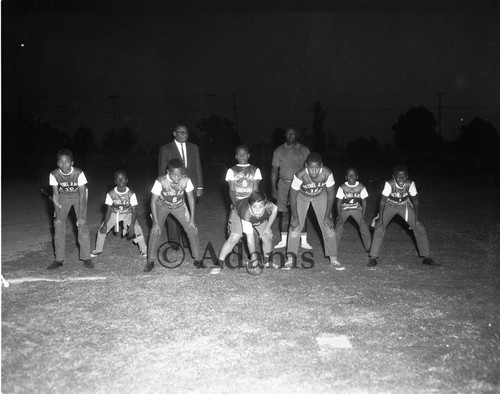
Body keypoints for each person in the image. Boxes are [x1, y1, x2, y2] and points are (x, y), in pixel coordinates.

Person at [368, 164, 439, 267]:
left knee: (419, 227)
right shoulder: (389, 184)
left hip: (403, 206)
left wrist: (415, 217)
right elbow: (382, 202)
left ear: (407, 176)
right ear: (393, 177)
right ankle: (373, 258)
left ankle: (427, 257)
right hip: (389, 205)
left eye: (403, 176)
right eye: (398, 177)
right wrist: (380, 217)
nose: (401, 179)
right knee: (380, 227)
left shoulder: (410, 184)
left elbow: (415, 201)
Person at [144, 158, 203, 272]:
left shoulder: (185, 180)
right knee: (155, 231)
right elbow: (152, 201)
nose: (176, 177)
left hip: (179, 206)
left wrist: (192, 219)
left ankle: (197, 258)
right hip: (162, 205)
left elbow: (190, 198)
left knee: (192, 229)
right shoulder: (161, 181)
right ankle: (150, 260)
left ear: (182, 173)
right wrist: (155, 223)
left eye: (179, 175)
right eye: (173, 175)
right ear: (168, 172)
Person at [285, 152, 340, 269]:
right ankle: (290, 258)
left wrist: (327, 215)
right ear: (306, 166)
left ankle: (333, 258)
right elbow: (293, 197)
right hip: (301, 196)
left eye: (316, 168)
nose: (314, 171)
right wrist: (295, 217)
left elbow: (331, 194)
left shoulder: (327, 173)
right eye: (311, 168)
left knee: (328, 226)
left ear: (321, 166)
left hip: (320, 196)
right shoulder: (300, 174)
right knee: (295, 227)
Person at [215, 145, 262, 270]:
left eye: (244, 154)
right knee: (234, 237)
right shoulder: (231, 170)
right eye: (239, 154)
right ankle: (218, 263)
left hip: (250, 207)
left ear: (248, 155)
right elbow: (231, 190)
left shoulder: (255, 170)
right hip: (237, 205)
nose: (242, 156)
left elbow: (256, 189)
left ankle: (254, 261)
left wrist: (253, 205)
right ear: (236, 156)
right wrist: (236, 204)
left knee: (251, 235)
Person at [157, 124, 203, 248]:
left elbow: (198, 166)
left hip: (190, 185)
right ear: (174, 133)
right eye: (181, 132)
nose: (185, 135)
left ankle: (187, 239)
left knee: (187, 212)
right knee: (172, 213)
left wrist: (199, 186)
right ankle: (174, 242)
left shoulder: (193, 147)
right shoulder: (166, 149)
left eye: (186, 132)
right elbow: (162, 170)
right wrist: (162, 188)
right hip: (171, 187)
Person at [46, 149, 93, 269]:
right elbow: (56, 195)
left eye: (67, 162)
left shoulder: (78, 173)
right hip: (64, 196)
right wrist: (57, 216)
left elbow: (82, 194)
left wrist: (82, 216)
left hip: (78, 196)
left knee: (82, 224)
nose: (64, 164)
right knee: (58, 224)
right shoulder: (54, 174)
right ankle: (59, 259)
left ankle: (86, 258)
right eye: (61, 162)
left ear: (72, 163)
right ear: (57, 163)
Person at [90, 170, 147, 258]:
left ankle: (144, 250)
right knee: (101, 230)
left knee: (137, 229)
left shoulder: (131, 194)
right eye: (118, 179)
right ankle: (98, 250)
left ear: (127, 180)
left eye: (123, 179)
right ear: (115, 182)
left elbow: (134, 211)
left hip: (128, 213)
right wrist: (105, 225)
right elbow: (108, 210)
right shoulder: (111, 194)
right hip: (114, 213)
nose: (121, 181)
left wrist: (132, 225)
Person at [271, 126, 311, 249]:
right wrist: (273, 187)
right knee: (284, 212)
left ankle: (303, 241)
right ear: (285, 135)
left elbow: (309, 169)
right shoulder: (278, 150)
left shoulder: (304, 150)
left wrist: (309, 185)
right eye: (288, 134)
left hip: (300, 184)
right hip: (283, 184)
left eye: (292, 134)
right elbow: (274, 170)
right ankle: (283, 240)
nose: (290, 136)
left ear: (297, 135)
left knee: (301, 212)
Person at [226, 191, 277, 273]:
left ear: (265, 205)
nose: (258, 209)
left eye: (261, 206)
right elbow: (250, 239)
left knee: (266, 236)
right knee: (235, 238)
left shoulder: (269, 205)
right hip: (239, 214)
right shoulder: (245, 213)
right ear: (250, 206)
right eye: (255, 207)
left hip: (258, 218)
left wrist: (268, 227)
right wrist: (254, 258)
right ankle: (221, 261)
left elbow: (275, 210)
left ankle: (267, 262)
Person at [335, 167, 371, 254]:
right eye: (349, 175)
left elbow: (364, 201)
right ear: (346, 177)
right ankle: (334, 248)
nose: (351, 176)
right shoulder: (342, 187)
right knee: (338, 227)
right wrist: (339, 216)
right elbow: (339, 202)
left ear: (357, 177)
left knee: (364, 227)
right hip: (344, 209)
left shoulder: (361, 187)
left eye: (353, 175)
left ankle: (369, 248)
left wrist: (363, 215)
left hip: (357, 209)